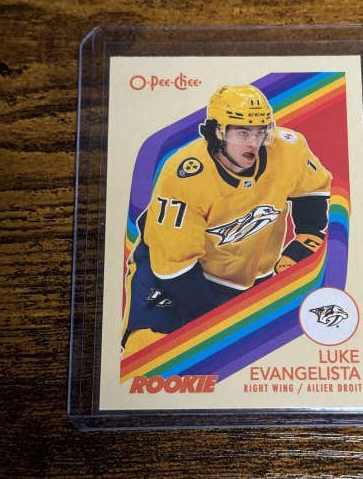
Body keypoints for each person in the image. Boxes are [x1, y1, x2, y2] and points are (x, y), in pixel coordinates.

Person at [122, 85, 332, 354]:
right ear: (218, 132)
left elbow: (312, 188)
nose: (253, 143)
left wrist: (306, 238)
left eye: (260, 132)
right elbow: (174, 266)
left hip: (248, 275)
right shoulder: (184, 174)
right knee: (146, 353)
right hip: (169, 273)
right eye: (242, 132)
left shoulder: (287, 149)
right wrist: (216, 322)